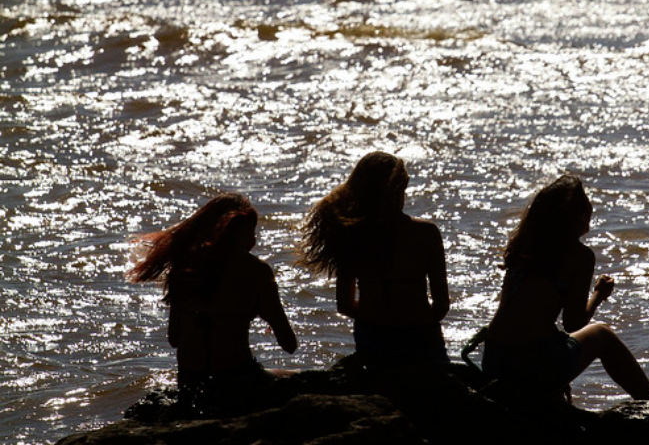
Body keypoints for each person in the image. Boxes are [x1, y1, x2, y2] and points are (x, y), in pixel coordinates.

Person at [482, 174, 649, 402]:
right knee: (603, 335)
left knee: (554, 346)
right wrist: (598, 295)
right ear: (580, 216)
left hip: (495, 358)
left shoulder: (523, 247)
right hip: (531, 363)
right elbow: (573, 323)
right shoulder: (580, 256)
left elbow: (527, 314)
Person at [128, 193, 298, 406]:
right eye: (252, 232)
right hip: (236, 380)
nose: (254, 241)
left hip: (190, 383)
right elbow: (289, 344)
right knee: (300, 379)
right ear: (240, 229)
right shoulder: (257, 270)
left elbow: (174, 338)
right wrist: (265, 314)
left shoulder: (184, 267)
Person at [298, 151, 450, 364]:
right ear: (399, 190)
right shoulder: (426, 233)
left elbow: (345, 305)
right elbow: (442, 304)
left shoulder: (352, 234)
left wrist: (380, 317)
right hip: (420, 336)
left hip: (373, 338)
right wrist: (416, 323)